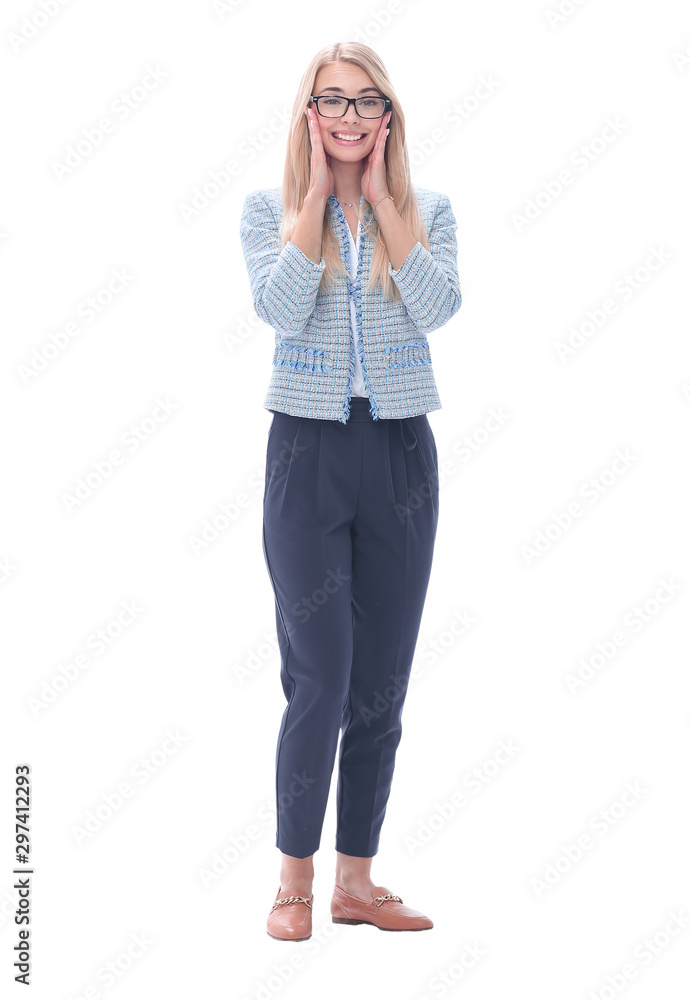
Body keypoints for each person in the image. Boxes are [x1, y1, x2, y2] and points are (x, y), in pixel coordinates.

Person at [239, 41, 461, 940]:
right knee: (319, 677)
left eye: (367, 101)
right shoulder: (271, 211)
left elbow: (439, 308)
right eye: (332, 99)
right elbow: (280, 309)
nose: (349, 115)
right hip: (306, 452)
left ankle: (356, 883)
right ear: (310, 113)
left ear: (387, 117)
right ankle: (293, 879)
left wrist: (380, 205)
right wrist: (320, 205)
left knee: (379, 684)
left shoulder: (427, 210)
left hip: (400, 452)